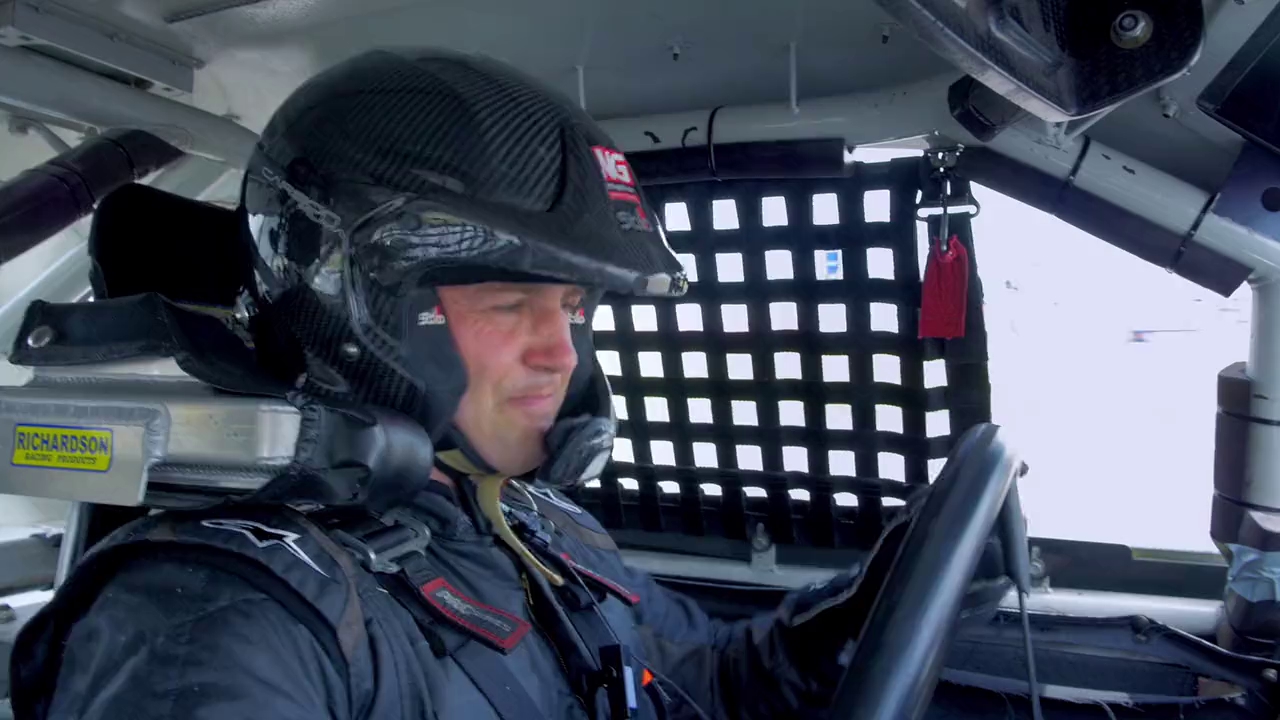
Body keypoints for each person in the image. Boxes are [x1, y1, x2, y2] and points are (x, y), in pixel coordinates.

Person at [8, 48, 1000, 720]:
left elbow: (695, 678)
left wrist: (850, 619)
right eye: (509, 303)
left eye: (573, 308)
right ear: (362, 308)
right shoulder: (217, 619)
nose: (561, 354)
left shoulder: (530, 518)